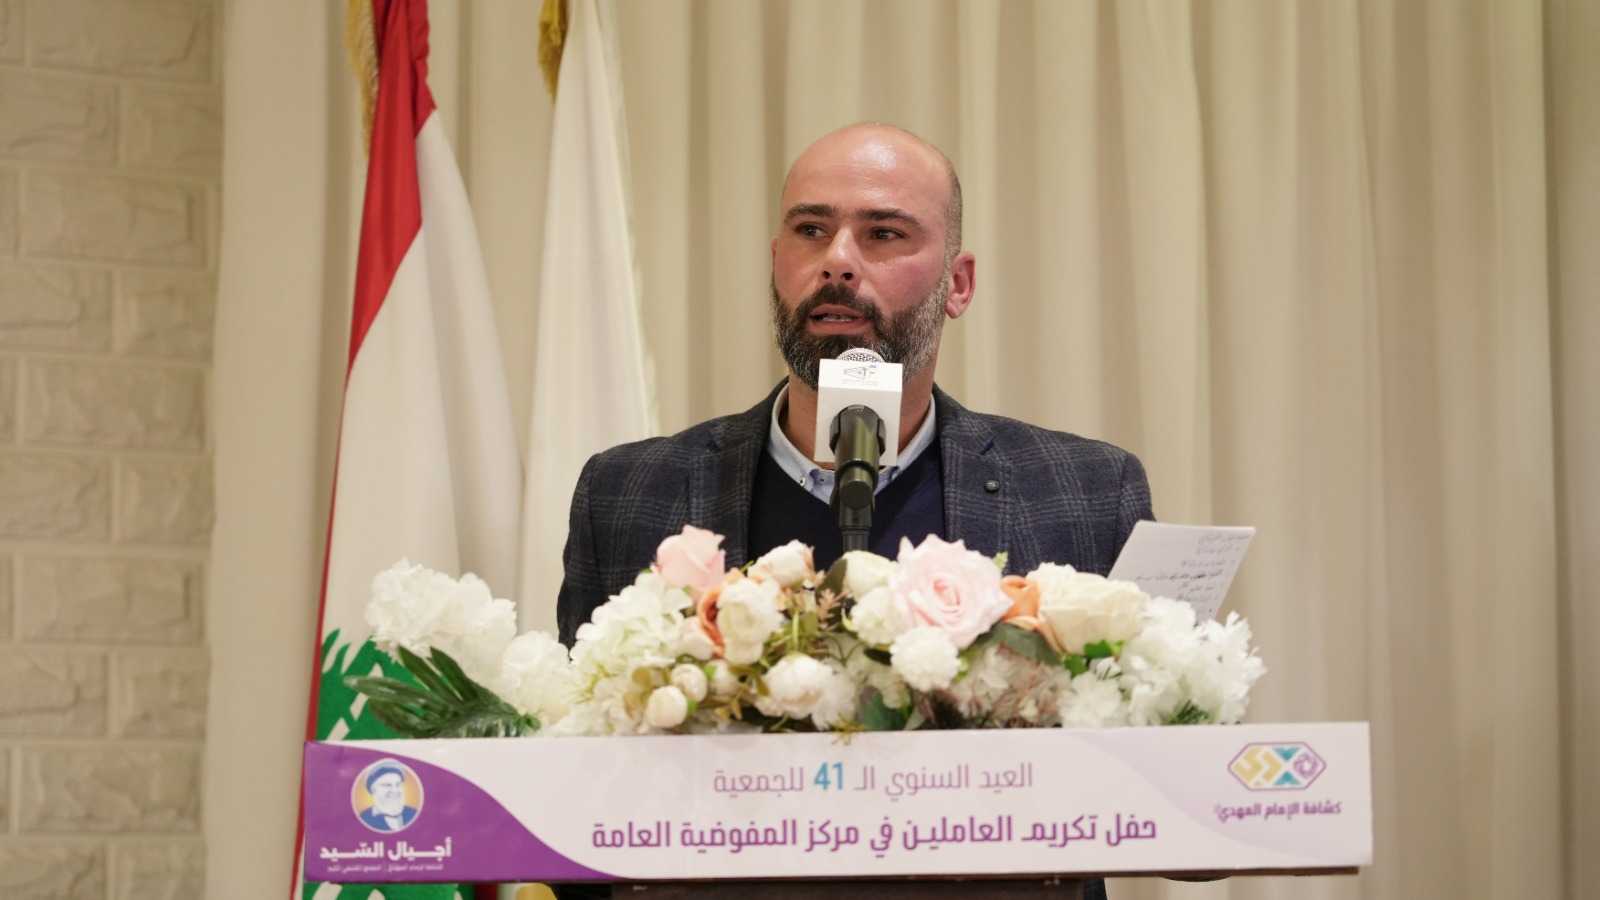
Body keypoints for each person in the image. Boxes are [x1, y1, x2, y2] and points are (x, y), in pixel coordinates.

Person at [557, 123, 1152, 648]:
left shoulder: (1090, 495)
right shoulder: (625, 494)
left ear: (958, 284)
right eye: (811, 229)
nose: (837, 260)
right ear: (776, 262)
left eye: (883, 234)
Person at [358, 765, 418, 833]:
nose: (395, 790)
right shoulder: (364, 818)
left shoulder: (413, 813)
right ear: (373, 790)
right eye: (387, 785)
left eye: (398, 784)